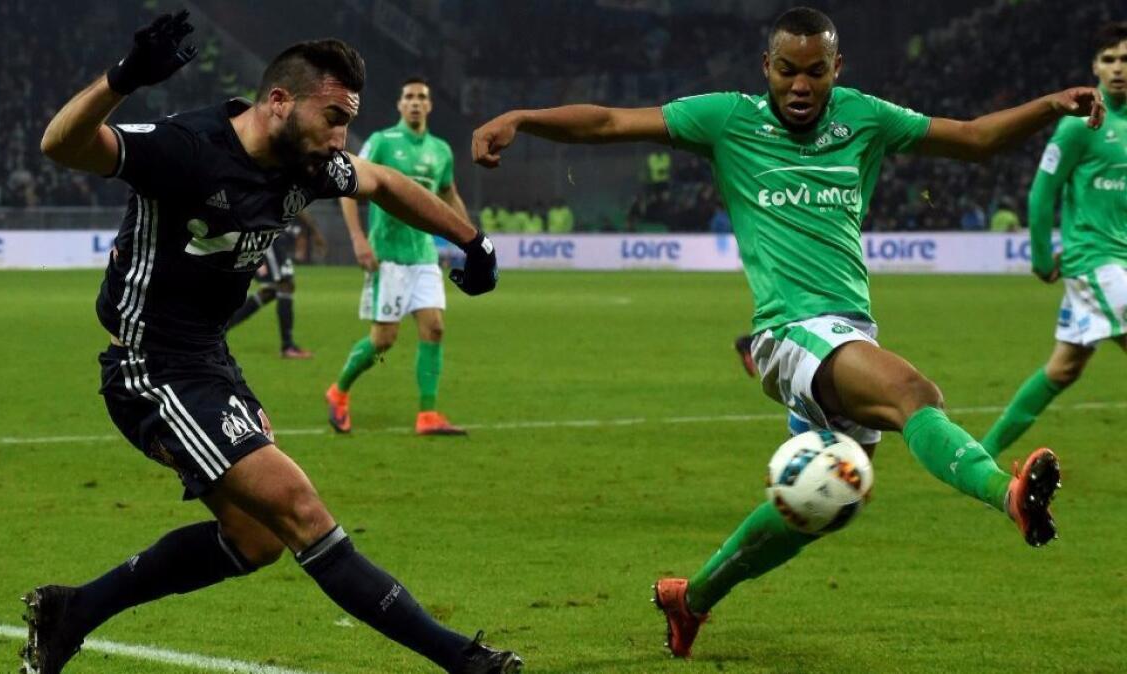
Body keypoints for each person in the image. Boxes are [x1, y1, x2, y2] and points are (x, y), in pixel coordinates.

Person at [470, 6, 1103, 659]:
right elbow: (609, 121)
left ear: (837, 69)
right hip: (787, 332)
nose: (801, 85)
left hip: (849, 330)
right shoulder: (727, 118)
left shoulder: (865, 118)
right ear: (766, 68)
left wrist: (1048, 104)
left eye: (816, 72)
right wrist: (522, 117)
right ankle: (1008, 495)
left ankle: (690, 599)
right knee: (915, 392)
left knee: (826, 499)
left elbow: (974, 139)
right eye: (788, 71)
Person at [22, 13, 518, 674]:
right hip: (151, 368)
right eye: (333, 117)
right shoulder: (187, 148)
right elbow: (61, 144)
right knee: (301, 510)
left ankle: (74, 612)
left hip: (208, 361)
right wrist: (123, 79)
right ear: (279, 101)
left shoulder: (307, 163)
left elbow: (386, 184)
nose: (341, 138)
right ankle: (465, 661)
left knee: (254, 541)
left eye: (347, 121)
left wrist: (472, 240)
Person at [982, 22, 1127, 458]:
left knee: (1064, 368)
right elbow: (1043, 191)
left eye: (1125, 58)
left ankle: (977, 454)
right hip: (1094, 260)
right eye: (1108, 59)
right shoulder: (1081, 126)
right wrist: (1042, 256)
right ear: (1094, 68)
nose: (1118, 68)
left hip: (1118, 261)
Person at [326, 77, 470, 435]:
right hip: (387, 255)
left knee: (434, 328)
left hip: (424, 255)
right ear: (400, 105)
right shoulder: (382, 142)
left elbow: (450, 194)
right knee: (383, 339)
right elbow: (347, 187)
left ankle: (427, 415)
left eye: (423, 96)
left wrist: (470, 239)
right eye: (409, 97)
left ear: (430, 105)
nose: (416, 102)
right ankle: (338, 391)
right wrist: (359, 239)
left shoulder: (441, 151)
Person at [225, 209, 318, 359]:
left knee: (270, 292)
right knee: (285, 285)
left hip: (267, 235)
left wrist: (313, 231)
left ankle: (219, 331)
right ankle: (287, 347)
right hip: (266, 237)